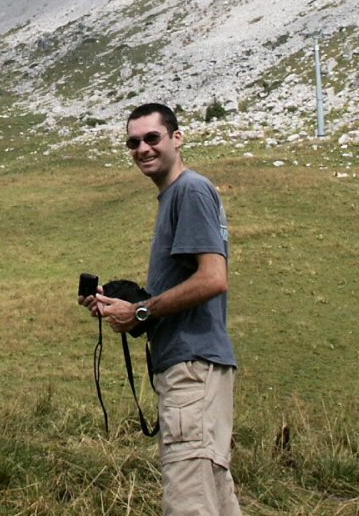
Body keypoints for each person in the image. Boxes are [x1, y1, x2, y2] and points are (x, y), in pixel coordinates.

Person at [82, 102, 242, 516]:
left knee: (189, 501)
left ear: (177, 138)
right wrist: (126, 305)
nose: (142, 149)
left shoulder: (189, 190)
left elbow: (212, 278)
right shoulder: (177, 195)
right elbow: (186, 288)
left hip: (192, 368)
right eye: (133, 142)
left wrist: (139, 313)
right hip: (195, 365)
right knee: (214, 497)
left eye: (152, 138)